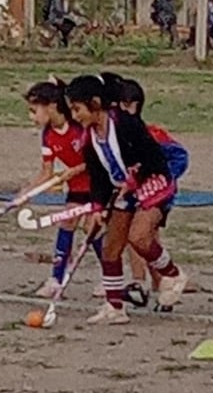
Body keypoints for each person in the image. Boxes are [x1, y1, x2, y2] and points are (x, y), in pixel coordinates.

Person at [65, 73, 188, 325]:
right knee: (111, 248)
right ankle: (114, 307)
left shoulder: (126, 124)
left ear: (95, 103)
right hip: (122, 191)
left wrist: (135, 176)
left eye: (78, 109)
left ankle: (172, 275)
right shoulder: (89, 138)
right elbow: (98, 176)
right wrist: (99, 205)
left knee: (140, 237)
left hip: (153, 182)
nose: (75, 116)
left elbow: (154, 156)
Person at [23, 77, 103, 298]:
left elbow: (96, 159)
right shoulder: (48, 135)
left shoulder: (78, 126)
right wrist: (26, 193)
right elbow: (46, 172)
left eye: (33, 111)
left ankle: (109, 278)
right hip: (76, 187)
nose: (32, 117)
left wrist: (74, 170)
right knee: (67, 223)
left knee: (91, 228)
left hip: (96, 183)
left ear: (50, 106)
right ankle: (56, 279)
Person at [119, 79, 189, 311]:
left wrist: (162, 178)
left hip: (157, 193)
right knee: (133, 236)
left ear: (132, 106)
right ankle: (139, 283)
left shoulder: (153, 134)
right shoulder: (117, 136)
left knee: (147, 236)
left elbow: (180, 157)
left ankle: (164, 283)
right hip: (133, 193)